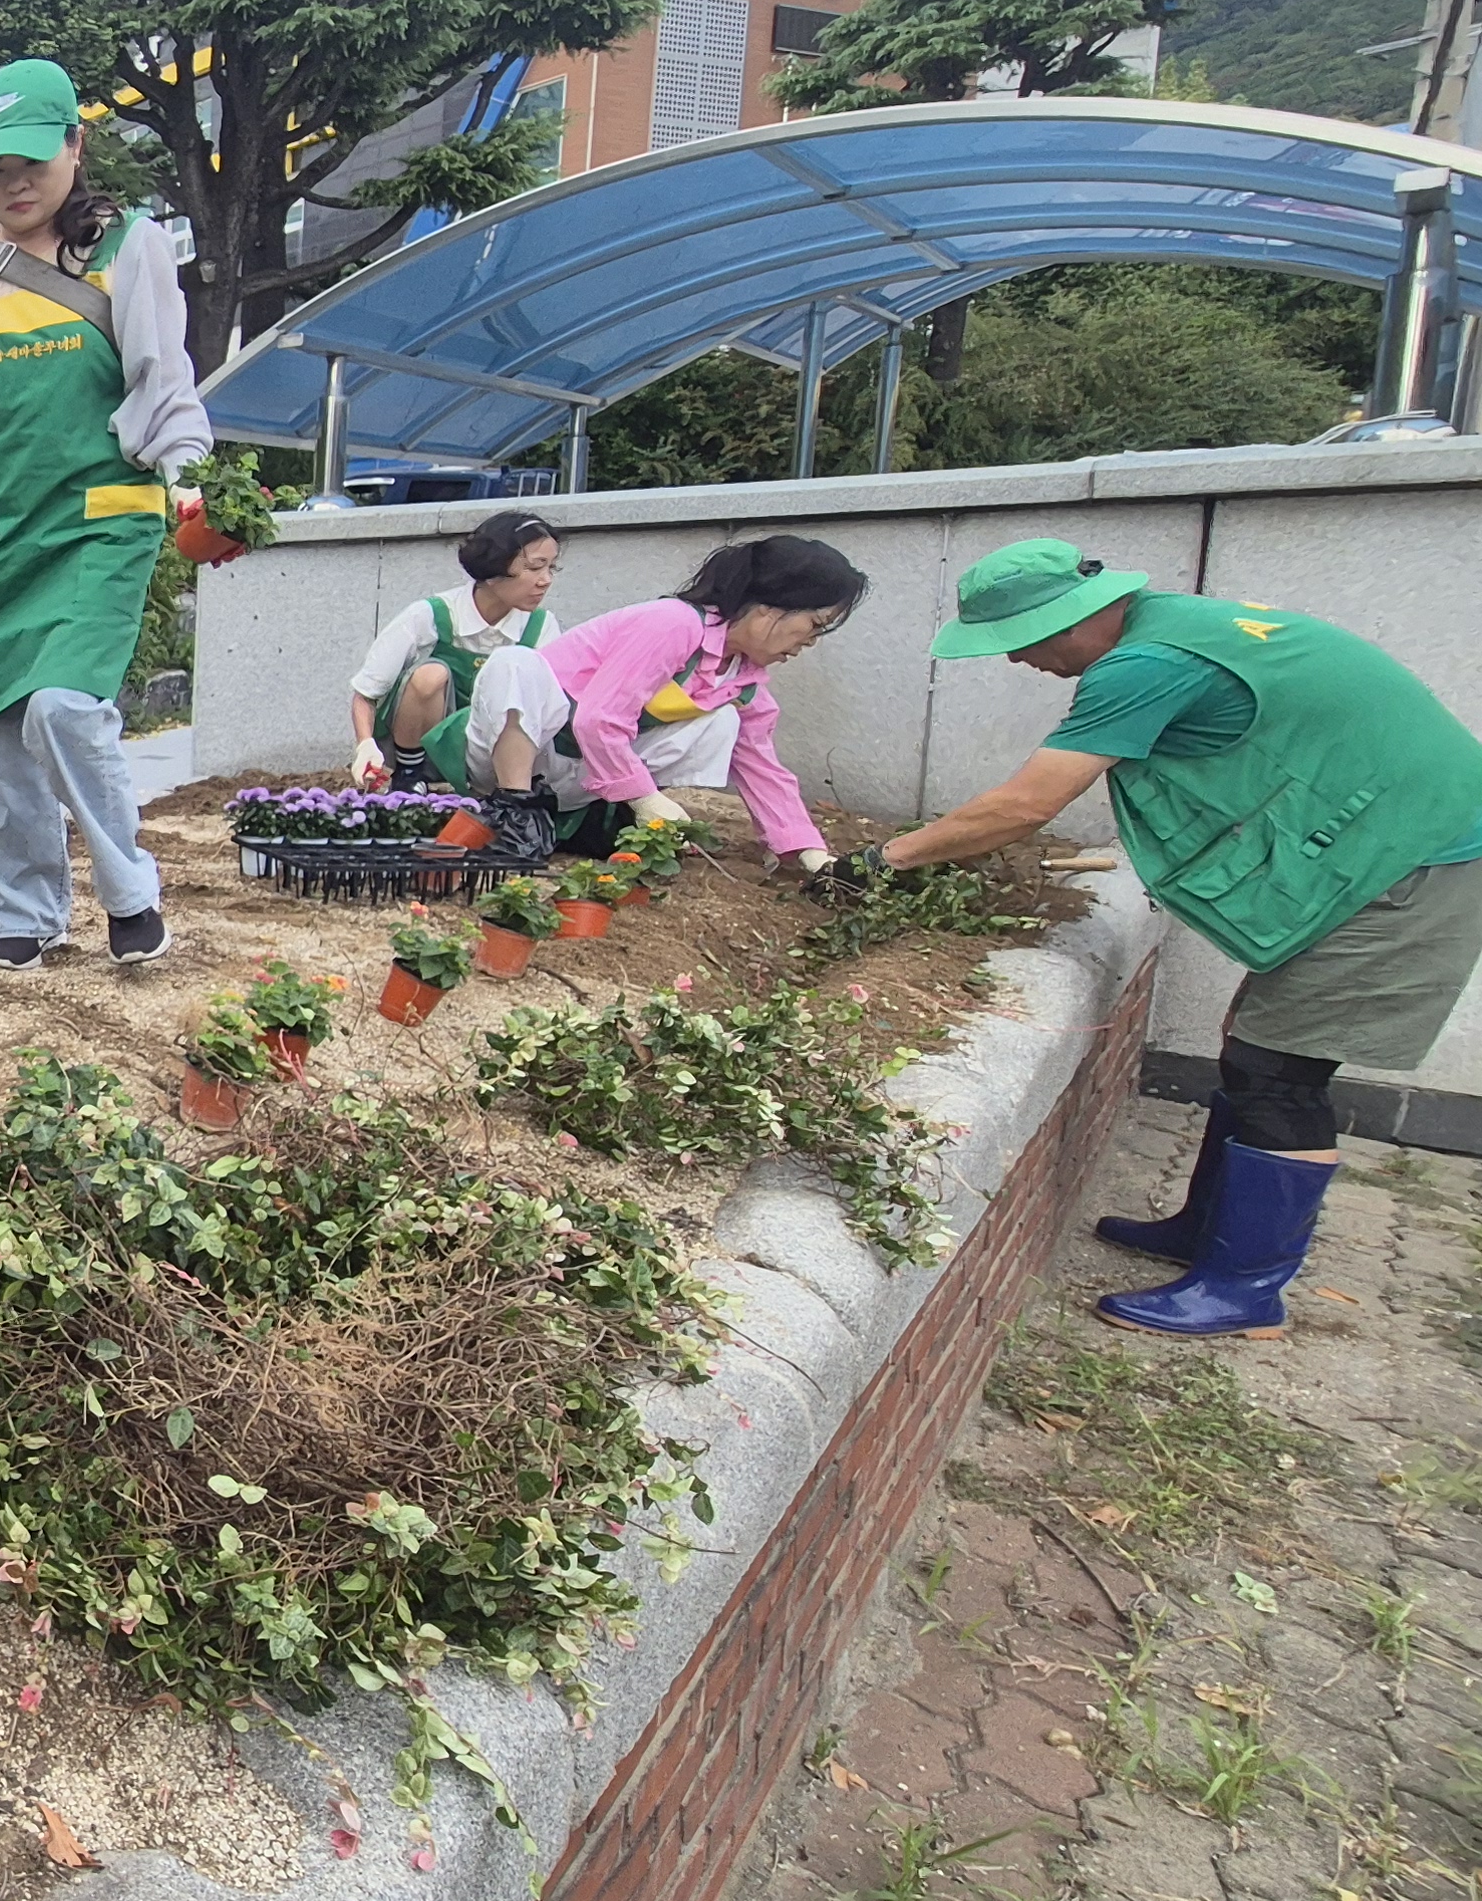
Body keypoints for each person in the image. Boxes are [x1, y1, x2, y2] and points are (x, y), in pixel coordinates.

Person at [873, 538, 1482, 1342]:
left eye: (1021, 640)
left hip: (1412, 861)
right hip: (1391, 841)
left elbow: (1026, 805)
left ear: (1072, 618)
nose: (1019, 660)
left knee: (1278, 1075)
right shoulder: (1178, 623)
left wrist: (883, 860)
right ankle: (1211, 1231)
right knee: (1252, 1045)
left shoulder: (1146, 664)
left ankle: (1245, 1290)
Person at [0, 59, 210, 968]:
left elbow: (163, 383)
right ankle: (21, 914)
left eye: (32, 161)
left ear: (75, 145)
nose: (16, 184)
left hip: (100, 529)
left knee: (62, 708)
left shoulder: (127, 250)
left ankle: (129, 888)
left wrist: (190, 481)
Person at [424, 536, 859, 874]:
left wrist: (806, 850)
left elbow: (764, 769)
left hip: (576, 780)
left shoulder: (742, 679)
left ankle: (605, 819)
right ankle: (514, 814)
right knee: (515, 663)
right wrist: (645, 796)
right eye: (813, 625)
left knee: (721, 722)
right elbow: (598, 719)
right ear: (768, 609)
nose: (808, 643)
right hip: (512, 755)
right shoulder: (672, 623)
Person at [348, 510, 562, 788]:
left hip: (492, 755)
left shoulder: (541, 627)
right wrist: (365, 746)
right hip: (423, 749)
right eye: (534, 568)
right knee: (430, 675)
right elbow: (366, 692)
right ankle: (411, 775)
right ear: (493, 569)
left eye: (551, 568)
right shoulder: (432, 614)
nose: (545, 580)